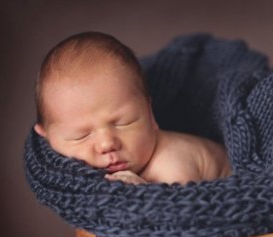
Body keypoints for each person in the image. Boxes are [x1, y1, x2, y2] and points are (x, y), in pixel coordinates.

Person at [33, 31, 231, 185]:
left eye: (122, 123)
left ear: (150, 115)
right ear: (46, 138)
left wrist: (140, 191)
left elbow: (177, 215)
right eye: (81, 135)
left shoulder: (170, 162)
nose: (106, 144)